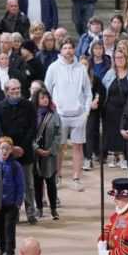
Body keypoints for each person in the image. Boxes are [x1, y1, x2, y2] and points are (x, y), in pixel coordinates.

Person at [44, 38, 93, 191]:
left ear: (74, 50)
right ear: (61, 51)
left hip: (79, 115)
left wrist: (85, 112)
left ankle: (76, 178)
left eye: (70, 48)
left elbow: (88, 92)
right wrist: (51, 111)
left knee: (78, 147)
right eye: (65, 48)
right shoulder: (53, 67)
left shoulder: (81, 68)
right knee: (59, 147)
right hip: (60, 115)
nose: (68, 51)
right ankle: (58, 177)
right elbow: (46, 91)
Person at [0, 79, 38, 225]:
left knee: (28, 184)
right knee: (9, 184)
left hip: (25, 151)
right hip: (7, 151)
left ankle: (31, 212)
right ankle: (14, 214)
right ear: (6, 91)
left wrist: (22, 148)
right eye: (12, 89)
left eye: (18, 89)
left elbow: (33, 127)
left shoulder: (29, 105)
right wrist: (11, 148)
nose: (15, 91)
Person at [0, 136, 24, 255]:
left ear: (11, 150)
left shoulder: (15, 166)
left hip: (11, 203)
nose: (4, 151)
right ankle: (2, 250)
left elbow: (20, 185)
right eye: (2, 148)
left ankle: (10, 253)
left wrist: (18, 202)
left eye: (7, 148)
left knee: (9, 228)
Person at [32, 90, 61, 220]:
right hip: (36, 155)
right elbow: (29, 134)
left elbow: (58, 134)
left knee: (51, 183)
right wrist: (36, 148)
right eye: (42, 98)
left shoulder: (54, 115)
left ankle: (54, 209)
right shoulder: (31, 115)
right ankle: (39, 208)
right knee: (37, 183)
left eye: (47, 97)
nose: (45, 100)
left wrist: (51, 149)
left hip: (50, 155)